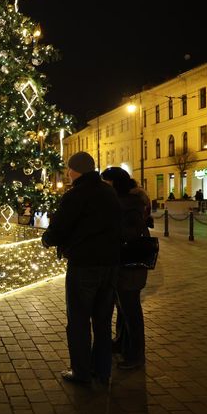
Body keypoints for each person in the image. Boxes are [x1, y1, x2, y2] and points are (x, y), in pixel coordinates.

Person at [41, 152, 121, 385]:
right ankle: (103, 370)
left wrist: (47, 239)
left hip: (84, 265)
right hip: (110, 264)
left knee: (78, 321)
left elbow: (59, 228)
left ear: (76, 170)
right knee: (103, 320)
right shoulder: (108, 191)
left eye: (69, 169)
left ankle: (81, 371)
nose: (67, 173)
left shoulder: (75, 195)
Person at [101, 167, 150, 370]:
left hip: (131, 263)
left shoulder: (130, 204)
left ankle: (136, 355)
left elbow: (131, 232)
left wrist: (111, 227)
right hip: (122, 262)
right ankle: (121, 343)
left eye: (107, 182)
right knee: (122, 307)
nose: (104, 186)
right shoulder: (123, 202)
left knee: (131, 309)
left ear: (115, 184)